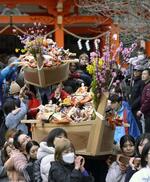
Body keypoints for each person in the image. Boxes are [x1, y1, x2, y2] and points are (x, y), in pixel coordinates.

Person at [129, 65, 145, 133]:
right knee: (133, 123)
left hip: (137, 107)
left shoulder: (141, 82)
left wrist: (133, 105)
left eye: (137, 71)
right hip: (132, 105)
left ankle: (140, 138)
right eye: (134, 70)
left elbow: (141, 96)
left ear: (140, 72)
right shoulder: (133, 81)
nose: (135, 72)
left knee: (138, 124)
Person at [137, 68, 150, 133]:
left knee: (147, 132)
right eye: (142, 74)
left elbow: (148, 99)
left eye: (145, 74)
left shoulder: (148, 86)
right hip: (146, 113)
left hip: (148, 113)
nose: (142, 75)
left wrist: (141, 110)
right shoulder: (146, 85)